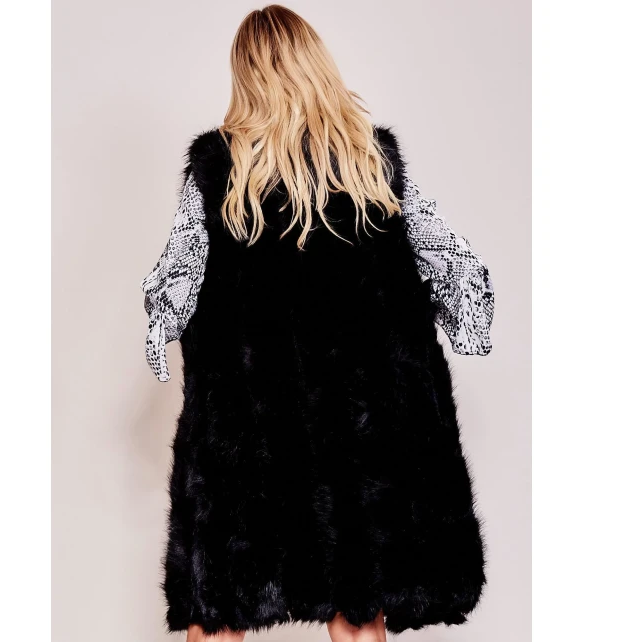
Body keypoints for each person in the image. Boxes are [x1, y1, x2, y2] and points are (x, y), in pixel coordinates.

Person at [141, 5, 494, 642]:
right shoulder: (370, 164)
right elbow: (459, 271)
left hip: (249, 431)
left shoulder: (218, 172)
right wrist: (460, 328)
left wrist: (161, 338)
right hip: (357, 432)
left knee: (218, 615)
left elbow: (174, 287)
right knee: (357, 616)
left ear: (246, 76)